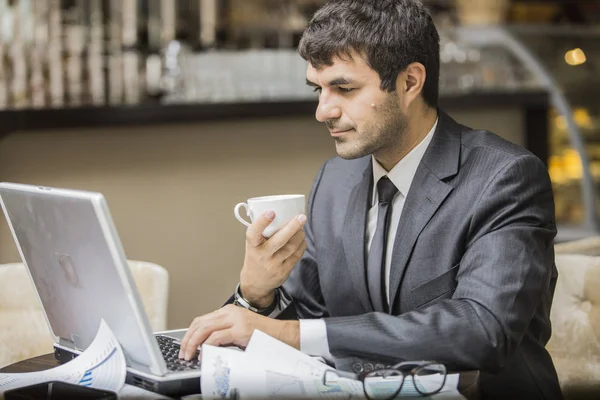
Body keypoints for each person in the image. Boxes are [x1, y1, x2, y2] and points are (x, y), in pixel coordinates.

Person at [179, 1, 562, 398]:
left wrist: (290, 333)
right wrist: (256, 294)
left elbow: (484, 331)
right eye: (318, 89)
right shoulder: (336, 180)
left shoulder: (504, 176)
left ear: (410, 82)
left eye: (344, 89)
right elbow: (309, 319)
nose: (322, 111)